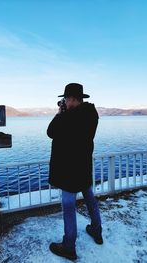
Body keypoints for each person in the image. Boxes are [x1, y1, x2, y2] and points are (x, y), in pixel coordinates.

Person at [47, 83, 103, 260]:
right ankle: (96, 230)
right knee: (90, 200)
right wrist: (65, 112)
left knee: (69, 206)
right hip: (83, 167)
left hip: (68, 170)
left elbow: (51, 131)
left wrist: (60, 113)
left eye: (65, 99)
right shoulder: (91, 114)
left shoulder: (69, 117)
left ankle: (69, 246)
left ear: (71, 99)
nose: (64, 102)